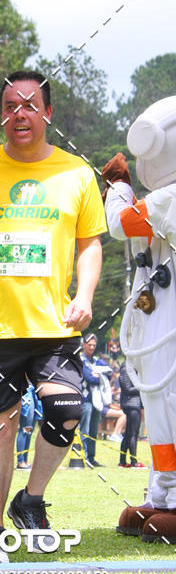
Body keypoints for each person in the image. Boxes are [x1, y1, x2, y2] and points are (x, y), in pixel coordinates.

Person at [0, 70, 106, 562]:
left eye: (30, 105)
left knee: (66, 409)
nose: (20, 115)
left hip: (55, 323)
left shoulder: (77, 173)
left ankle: (30, 500)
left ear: (47, 113)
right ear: (1, 115)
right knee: (0, 426)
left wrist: (85, 295)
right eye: (10, 106)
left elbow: (90, 244)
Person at [103, 95, 176, 541]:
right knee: (159, 411)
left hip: (169, 327)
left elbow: (121, 222)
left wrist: (118, 186)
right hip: (159, 322)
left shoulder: (170, 198)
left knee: (170, 407)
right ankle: (161, 494)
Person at [79, 334, 113, 466]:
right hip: (85, 399)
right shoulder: (80, 359)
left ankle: (91, 458)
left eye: (94, 345)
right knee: (85, 430)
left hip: (97, 400)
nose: (92, 347)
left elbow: (109, 372)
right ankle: (84, 457)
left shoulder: (96, 361)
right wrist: (99, 376)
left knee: (93, 430)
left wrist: (98, 375)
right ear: (84, 344)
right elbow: (89, 378)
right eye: (89, 345)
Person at [118, 360, 145, 469]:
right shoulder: (126, 368)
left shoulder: (132, 368)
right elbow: (127, 388)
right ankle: (134, 462)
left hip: (133, 403)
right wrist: (142, 386)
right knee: (133, 434)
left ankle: (122, 461)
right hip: (131, 404)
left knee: (129, 434)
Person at [16, 383, 42, 470]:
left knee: (30, 430)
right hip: (26, 391)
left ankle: (25, 459)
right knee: (25, 428)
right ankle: (20, 461)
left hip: (34, 391)